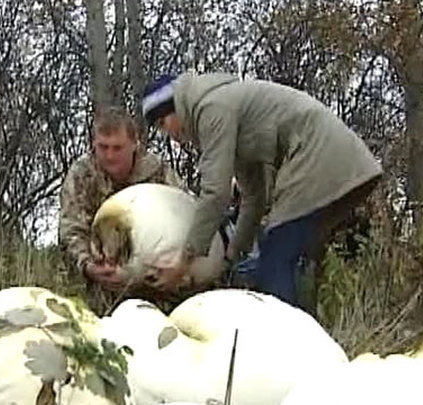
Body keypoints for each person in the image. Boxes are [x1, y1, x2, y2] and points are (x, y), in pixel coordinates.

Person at [140, 71, 383, 309]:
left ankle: (286, 340)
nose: (169, 134)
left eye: (164, 122)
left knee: (276, 257)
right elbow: (254, 198)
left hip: (317, 155)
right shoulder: (228, 110)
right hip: (342, 160)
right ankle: (308, 330)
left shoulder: (211, 109)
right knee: (296, 259)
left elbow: (215, 193)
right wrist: (231, 256)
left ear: (176, 106)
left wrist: (183, 260)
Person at [58, 105, 183, 295]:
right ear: (94, 144)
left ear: (135, 144)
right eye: (103, 147)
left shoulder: (159, 172)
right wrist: (89, 266)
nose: (109, 156)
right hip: (101, 278)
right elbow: (71, 230)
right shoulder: (81, 175)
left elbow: (186, 219)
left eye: (117, 148)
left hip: (157, 277)